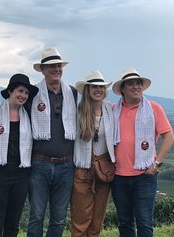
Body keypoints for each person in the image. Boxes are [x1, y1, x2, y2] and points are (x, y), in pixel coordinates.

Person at [111, 68, 174, 237]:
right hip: (119, 175)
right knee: (124, 221)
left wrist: (157, 163)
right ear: (122, 89)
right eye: (131, 84)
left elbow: (169, 136)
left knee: (144, 222)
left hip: (145, 174)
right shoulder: (112, 110)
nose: (136, 87)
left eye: (138, 83)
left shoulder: (153, 108)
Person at [26, 47, 77, 237]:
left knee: (59, 218)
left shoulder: (72, 93)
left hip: (66, 164)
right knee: (36, 215)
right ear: (42, 70)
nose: (56, 69)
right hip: (40, 163)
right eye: (51, 66)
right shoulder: (33, 93)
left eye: (58, 65)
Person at [0, 73, 38, 237]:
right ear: (10, 91)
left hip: (21, 174)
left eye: (26, 93)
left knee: (13, 222)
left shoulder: (29, 115)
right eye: (20, 91)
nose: (23, 96)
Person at [70, 70, 116, 237]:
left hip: (104, 168)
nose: (98, 90)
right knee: (80, 219)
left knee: (97, 220)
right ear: (88, 90)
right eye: (94, 87)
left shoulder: (110, 110)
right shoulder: (78, 111)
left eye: (101, 87)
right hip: (83, 167)